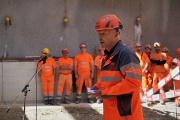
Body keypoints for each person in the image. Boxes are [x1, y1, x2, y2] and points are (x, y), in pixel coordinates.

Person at [91, 14, 143, 120]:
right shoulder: (107, 56)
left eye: (104, 34)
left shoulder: (126, 55)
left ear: (116, 34)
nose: (100, 37)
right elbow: (113, 80)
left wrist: (105, 92)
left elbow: (133, 83)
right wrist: (99, 85)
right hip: (112, 113)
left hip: (126, 115)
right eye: (99, 34)